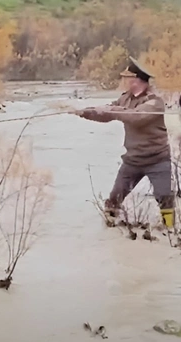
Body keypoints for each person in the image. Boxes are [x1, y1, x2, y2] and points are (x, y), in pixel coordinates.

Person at [71, 57, 174, 228]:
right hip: (132, 160)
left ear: (137, 80)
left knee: (165, 199)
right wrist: (84, 112)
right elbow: (107, 113)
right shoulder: (125, 98)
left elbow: (136, 117)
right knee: (114, 199)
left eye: (127, 77)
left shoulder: (155, 102)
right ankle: (110, 228)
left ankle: (170, 231)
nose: (124, 81)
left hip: (157, 159)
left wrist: (113, 110)